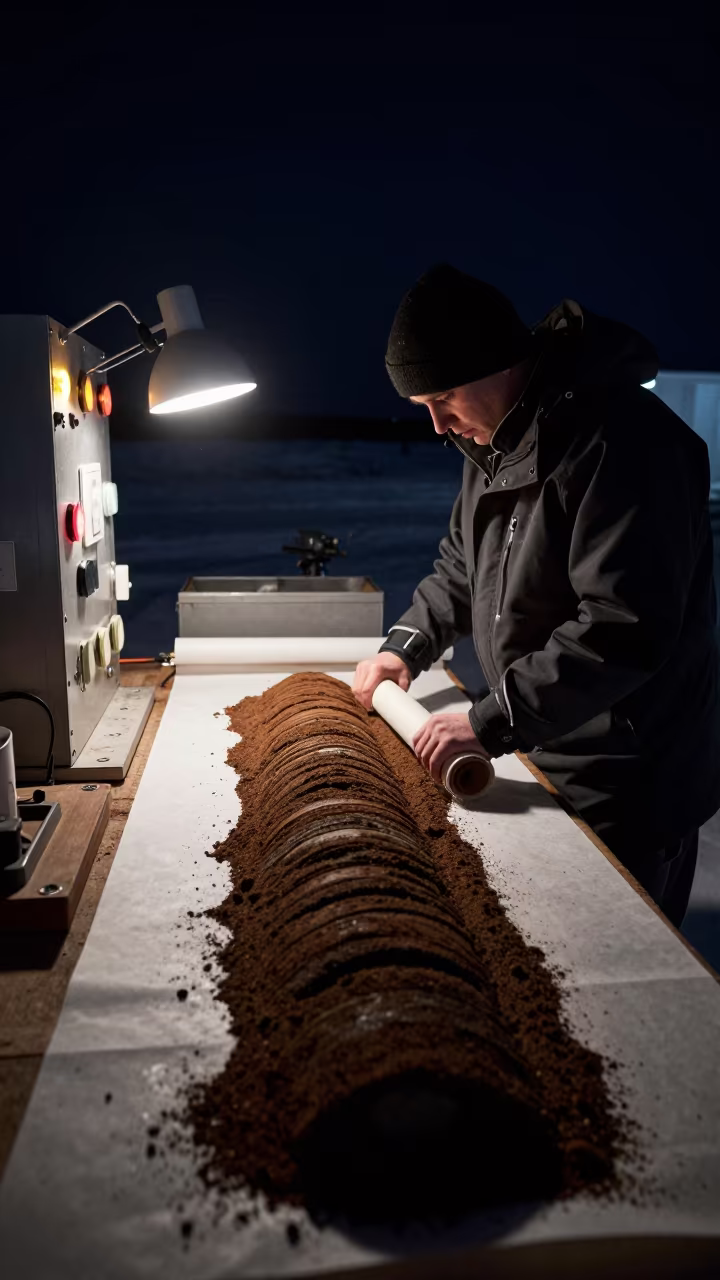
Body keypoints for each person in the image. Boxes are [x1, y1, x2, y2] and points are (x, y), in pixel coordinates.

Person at [353, 264, 720, 927]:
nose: (438, 426)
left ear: (495, 362)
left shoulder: (623, 442)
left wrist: (489, 720)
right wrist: (405, 646)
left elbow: (623, 626)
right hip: (545, 746)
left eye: (443, 397)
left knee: (619, 990)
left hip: (624, 780)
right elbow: (461, 566)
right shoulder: (498, 441)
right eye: (422, 408)